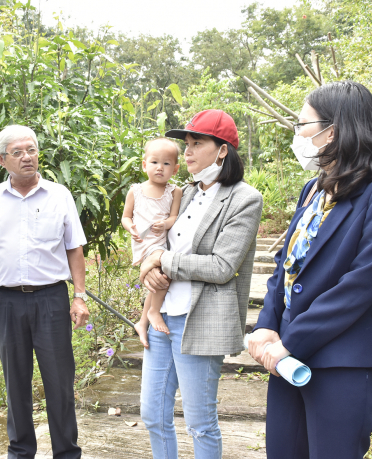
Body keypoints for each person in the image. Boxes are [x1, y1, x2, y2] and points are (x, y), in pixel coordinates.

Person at [247, 81, 372, 459]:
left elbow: (362, 281)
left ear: (332, 130)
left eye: (303, 124)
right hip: (287, 359)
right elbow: (285, 266)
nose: (298, 133)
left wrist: (292, 340)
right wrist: (267, 324)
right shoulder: (313, 189)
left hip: (340, 363)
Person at [137, 109, 263, 458]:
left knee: (199, 422)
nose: (187, 152)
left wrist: (163, 261)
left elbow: (222, 266)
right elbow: (161, 245)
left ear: (222, 150)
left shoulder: (244, 198)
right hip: (163, 318)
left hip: (200, 319)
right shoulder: (187, 193)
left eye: (197, 143)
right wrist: (148, 294)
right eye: (187, 144)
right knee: (152, 414)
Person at [0, 125, 89, 459]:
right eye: (17, 152)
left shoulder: (59, 195)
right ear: (1, 159)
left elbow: (74, 248)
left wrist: (79, 296)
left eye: (31, 150)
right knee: (15, 383)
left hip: (51, 298)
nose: (27, 158)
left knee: (59, 382)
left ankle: (66, 453)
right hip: (7, 301)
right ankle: (20, 452)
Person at [121, 137, 183, 346]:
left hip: (160, 239)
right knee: (163, 270)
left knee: (162, 275)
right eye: (154, 162)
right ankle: (153, 312)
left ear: (175, 169)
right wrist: (131, 228)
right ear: (144, 164)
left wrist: (165, 224)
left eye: (166, 164)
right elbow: (126, 217)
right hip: (143, 239)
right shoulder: (136, 190)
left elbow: (174, 218)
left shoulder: (175, 192)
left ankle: (142, 320)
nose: (160, 168)